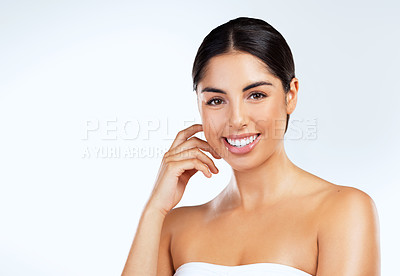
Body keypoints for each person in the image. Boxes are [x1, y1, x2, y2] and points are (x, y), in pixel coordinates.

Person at [121, 17, 380, 276]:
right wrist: (155, 208)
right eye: (216, 100)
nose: (236, 120)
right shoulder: (173, 227)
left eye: (256, 95)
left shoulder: (343, 211)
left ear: (291, 95)